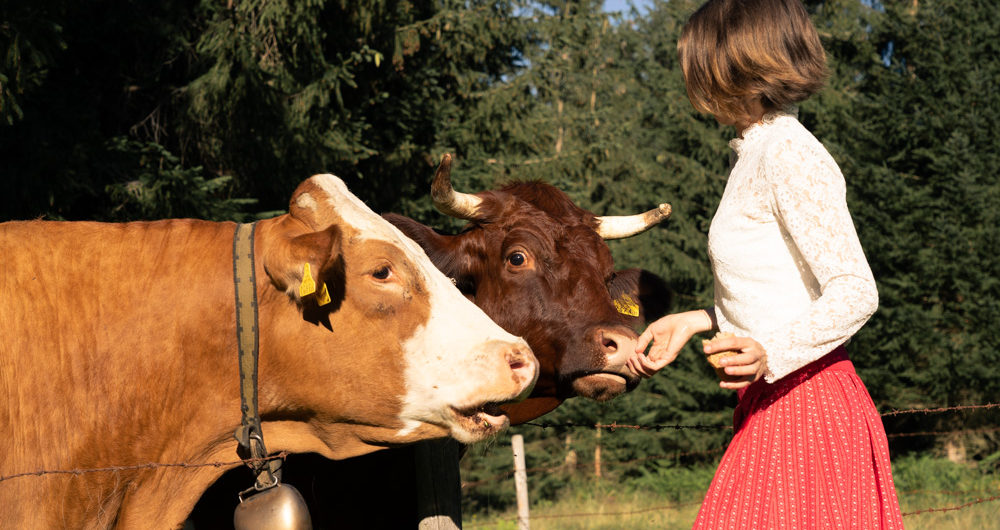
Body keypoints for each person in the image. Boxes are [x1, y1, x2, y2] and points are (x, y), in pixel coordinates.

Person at [626, 0, 905, 527]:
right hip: (778, 401)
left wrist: (767, 352)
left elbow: (855, 290)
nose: (690, 72)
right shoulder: (755, 151)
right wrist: (696, 319)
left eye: (697, 58)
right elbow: (781, 286)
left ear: (733, 61)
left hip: (809, 406)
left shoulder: (788, 152)